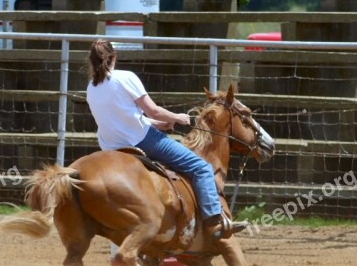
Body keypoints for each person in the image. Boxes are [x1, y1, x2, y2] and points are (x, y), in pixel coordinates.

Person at [85, 39, 247, 241]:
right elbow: (153, 109)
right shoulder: (125, 77)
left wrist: (153, 123)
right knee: (201, 168)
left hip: (110, 147)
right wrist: (177, 118)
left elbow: (120, 118)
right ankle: (213, 221)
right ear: (113, 57)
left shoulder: (91, 88)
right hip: (141, 140)